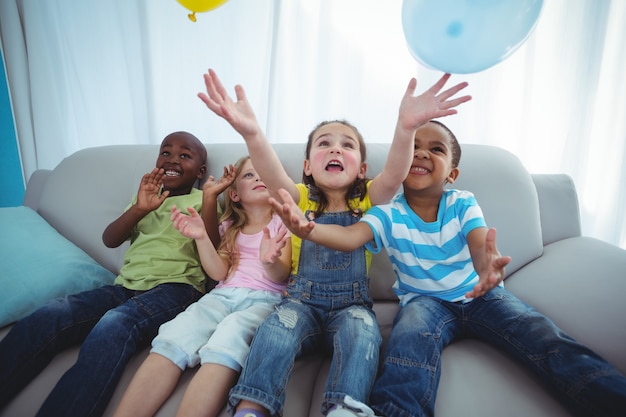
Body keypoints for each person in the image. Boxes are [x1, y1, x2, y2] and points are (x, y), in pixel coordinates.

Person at [269, 120, 626, 417]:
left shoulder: (462, 202)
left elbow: (479, 241)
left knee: (542, 336)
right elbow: (350, 238)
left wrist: (488, 268)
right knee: (407, 348)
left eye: (436, 149)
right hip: (423, 304)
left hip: (481, 295)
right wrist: (309, 229)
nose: (422, 152)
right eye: (415, 148)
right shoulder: (386, 212)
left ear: (451, 173)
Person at [198, 69, 471, 417]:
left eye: (347, 145)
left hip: (351, 307)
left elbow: (394, 174)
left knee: (363, 332)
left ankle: (345, 408)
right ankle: (252, 407)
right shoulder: (299, 197)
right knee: (275, 331)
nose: (335, 149)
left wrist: (406, 130)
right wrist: (252, 133)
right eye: (324, 143)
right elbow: (270, 172)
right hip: (301, 303)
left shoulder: (368, 199)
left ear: (362, 169)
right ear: (308, 166)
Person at [0, 131, 212, 417]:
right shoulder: (145, 199)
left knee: (114, 324)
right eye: (166, 152)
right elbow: (110, 239)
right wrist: (139, 209)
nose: (173, 159)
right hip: (124, 287)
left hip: (175, 289)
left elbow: (212, 248)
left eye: (184, 155)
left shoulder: (204, 200)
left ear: (201, 171)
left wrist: (210, 201)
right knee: (50, 313)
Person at [112, 156, 291, 417]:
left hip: (265, 299)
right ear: (235, 194)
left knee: (230, 333)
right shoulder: (230, 228)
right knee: (176, 333)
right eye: (249, 175)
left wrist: (269, 260)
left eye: (264, 173)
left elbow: (280, 275)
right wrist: (201, 238)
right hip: (221, 295)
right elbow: (219, 271)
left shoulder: (283, 223)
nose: (259, 178)